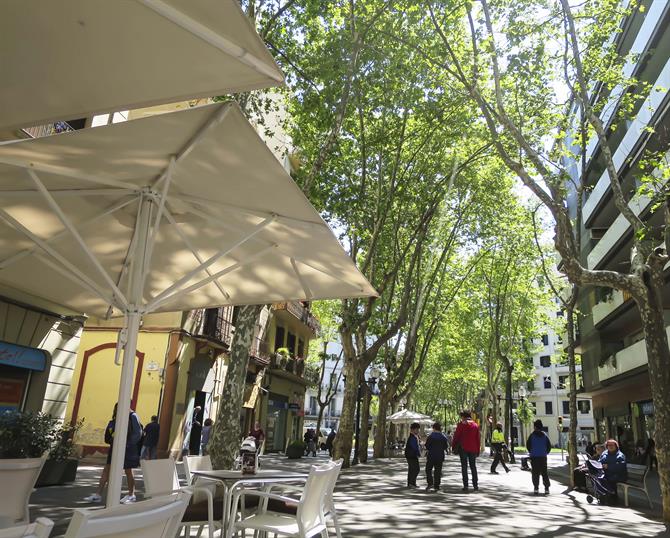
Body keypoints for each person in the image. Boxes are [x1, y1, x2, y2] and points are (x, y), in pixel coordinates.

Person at [84, 403, 142, 504]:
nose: (117, 410)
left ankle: (131, 494)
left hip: (127, 449)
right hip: (114, 448)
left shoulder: (133, 416)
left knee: (128, 470)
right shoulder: (115, 419)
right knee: (107, 469)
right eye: (116, 408)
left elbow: (138, 433)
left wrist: (127, 444)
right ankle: (98, 495)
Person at [452, 410, 481, 492]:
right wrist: (478, 450)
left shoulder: (461, 425)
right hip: (473, 449)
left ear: (463, 416)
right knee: (473, 466)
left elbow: (456, 436)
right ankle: (475, 485)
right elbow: (477, 439)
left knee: (464, 467)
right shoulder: (475, 425)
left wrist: (453, 446)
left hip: (463, 448)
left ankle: (466, 485)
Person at [526, 419, 552, 495]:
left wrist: (532, 452)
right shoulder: (545, 435)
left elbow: (528, 445)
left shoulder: (532, 435)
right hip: (543, 457)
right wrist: (545, 453)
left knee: (535, 473)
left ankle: (536, 488)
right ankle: (546, 488)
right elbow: (549, 446)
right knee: (544, 473)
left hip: (534, 457)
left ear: (535, 427)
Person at [424, 422, 449, 492]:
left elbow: (427, 446)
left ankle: (430, 483)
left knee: (428, 469)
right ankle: (436, 485)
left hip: (431, 455)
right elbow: (446, 446)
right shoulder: (443, 437)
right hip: (440, 456)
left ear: (434, 428)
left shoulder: (430, 436)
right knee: (438, 471)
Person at [405, 422, 422, 488]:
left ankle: (411, 483)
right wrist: (419, 453)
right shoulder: (412, 437)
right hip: (411, 455)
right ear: (412, 430)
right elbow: (414, 447)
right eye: (417, 429)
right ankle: (411, 483)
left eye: (418, 429)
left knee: (412, 469)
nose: (418, 431)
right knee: (416, 469)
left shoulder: (414, 437)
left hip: (411, 455)